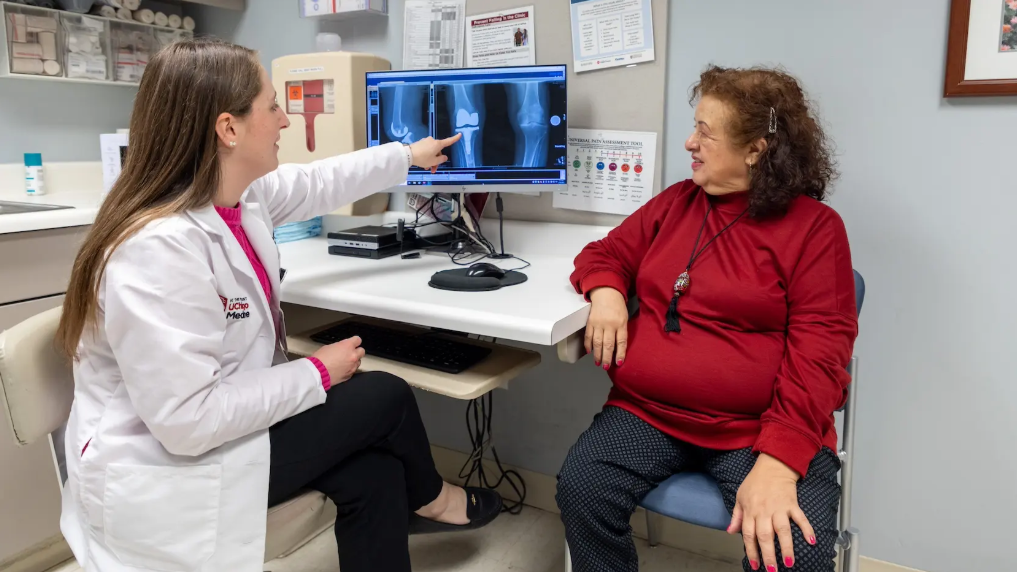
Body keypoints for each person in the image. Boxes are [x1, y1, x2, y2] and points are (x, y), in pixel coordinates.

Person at [55, 39, 501, 572]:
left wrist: (407, 156)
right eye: (271, 105)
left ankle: (426, 498)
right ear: (228, 128)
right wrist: (317, 372)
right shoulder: (156, 249)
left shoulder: (237, 199)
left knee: (377, 473)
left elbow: (319, 181)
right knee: (385, 394)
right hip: (165, 467)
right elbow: (186, 421)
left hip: (221, 433)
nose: (286, 119)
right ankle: (432, 499)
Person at [556, 65, 857, 572]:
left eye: (705, 132)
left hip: (757, 430)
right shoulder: (678, 202)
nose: (690, 143)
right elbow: (604, 253)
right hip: (648, 414)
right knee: (582, 489)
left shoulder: (816, 230)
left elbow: (821, 358)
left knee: (795, 556)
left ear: (755, 149)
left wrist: (779, 462)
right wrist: (607, 293)